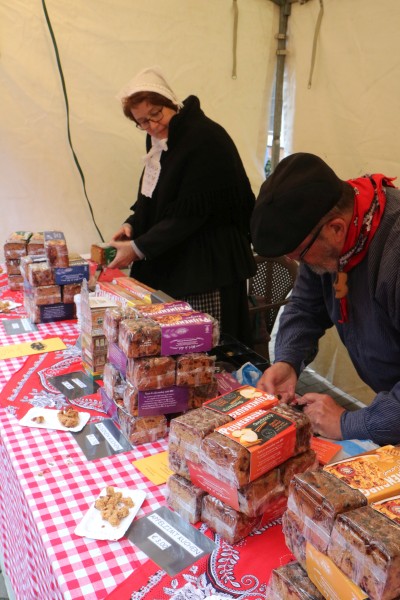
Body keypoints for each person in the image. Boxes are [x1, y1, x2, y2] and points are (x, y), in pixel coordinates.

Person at [250, 152, 400, 446]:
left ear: (336, 228)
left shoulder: (394, 250)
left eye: (300, 255)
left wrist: (349, 422)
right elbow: (306, 307)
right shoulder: (335, 228)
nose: (299, 263)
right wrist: (288, 361)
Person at [108, 66, 256, 345]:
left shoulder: (203, 138)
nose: (152, 125)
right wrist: (133, 224)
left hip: (209, 266)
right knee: (178, 350)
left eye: (156, 114)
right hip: (182, 260)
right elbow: (152, 195)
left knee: (206, 345)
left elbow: (192, 214)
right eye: (142, 121)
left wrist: (138, 249)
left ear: (170, 102)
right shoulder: (162, 140)